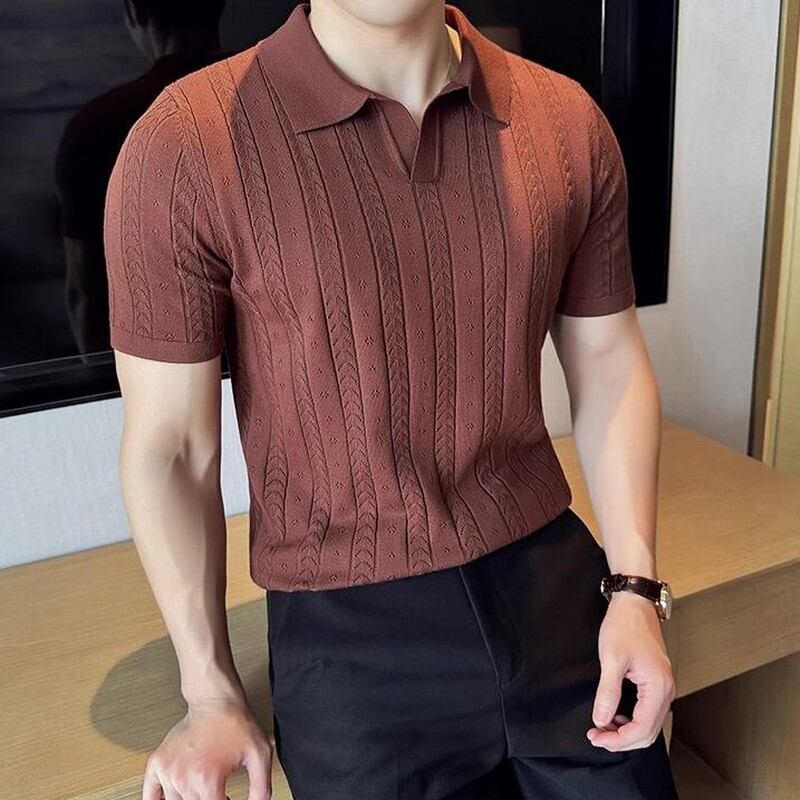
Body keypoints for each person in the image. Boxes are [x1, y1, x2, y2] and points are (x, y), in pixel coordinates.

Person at [103, 1, 679, 798]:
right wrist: (209, 689)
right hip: (350, 648)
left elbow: (610, 361)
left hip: (554, 592)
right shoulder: (184, 144)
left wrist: (636, 589)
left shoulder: (564, 120)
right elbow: (171, 447)